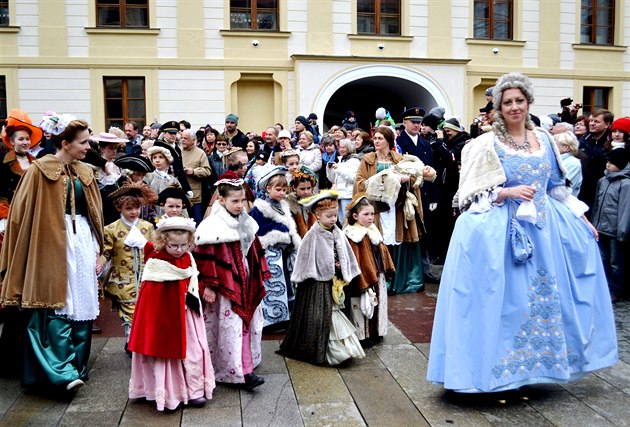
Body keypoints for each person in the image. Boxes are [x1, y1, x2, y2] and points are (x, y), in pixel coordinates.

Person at [427, 72, 618, 393]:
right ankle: (499, 371)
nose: (514, 107)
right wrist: (505, 194)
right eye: (507, 102)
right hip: (502, 230)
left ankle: (540, 366)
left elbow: (556, 187)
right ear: (498, 107)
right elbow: (469, 193)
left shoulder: (544, 139)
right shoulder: (485, 144)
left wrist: (582, 219)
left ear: (528, 103)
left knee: (545, 299)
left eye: (519, 101)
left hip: (546, 231)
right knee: (507, 301)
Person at [0, 114, 104, 391]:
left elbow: (93, 212)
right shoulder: (39, 170)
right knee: (56, 301)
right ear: (65, 143)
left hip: (81, 239)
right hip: (50, 243)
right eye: (83, 142)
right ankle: (60, 371)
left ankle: (77, 366)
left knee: (82, 302)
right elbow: (21, 216)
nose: (87, 147)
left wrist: (97, 246)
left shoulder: (84, 171)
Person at [128, 216, 215, 411]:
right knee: (166, 356)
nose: (179, 250)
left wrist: (201, 290)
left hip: (187, 315)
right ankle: (169, 393)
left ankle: (194, 391)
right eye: (174, 246)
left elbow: (192, 280)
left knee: (194, 351)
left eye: (184, 245)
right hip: (164, 318)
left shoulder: (188, 258)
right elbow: (151, 297)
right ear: (163, 242)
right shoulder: (156, 261)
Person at [194, 174, 269, 390]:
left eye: (242, 200)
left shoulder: (247, 222)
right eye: (234, 201)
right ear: (221, 200)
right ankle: (240, 371)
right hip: (226, 285)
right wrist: (208, 284)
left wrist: (260, 273)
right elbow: (205, 259)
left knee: (246, 323)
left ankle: (244, 366)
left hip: (246, 279)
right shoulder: (212, 227)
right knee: (232, 326)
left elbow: (254, 251)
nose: (239, 205)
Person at [277, 191, 364, 366]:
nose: (333, 219)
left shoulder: (338, 232)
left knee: (336, 311)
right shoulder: (312, 235)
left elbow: (345, 253)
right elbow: (304, 258)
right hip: (317, 283)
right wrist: (304, 276)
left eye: (334, 215)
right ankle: (326, 351)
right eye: (329, 216)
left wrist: (341, 266)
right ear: (317, 215)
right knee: (320, 315)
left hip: (335, 281)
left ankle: (341, 349)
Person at [355, 126, 435, 294]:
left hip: (396, 207)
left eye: (380, 138)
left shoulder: (400, 159)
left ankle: (399, 280)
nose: (376, 141)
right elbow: (359, 182)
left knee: (397, 237)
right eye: (375, 138)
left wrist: (407, 178)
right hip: (376, 207)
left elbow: (416, 177)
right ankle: (379, 279)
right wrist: (377, 181)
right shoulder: (368, 159)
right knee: (379, 237)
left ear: (389, 141)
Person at [0, 109, 43, 376]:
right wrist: (4, 218)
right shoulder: (3, 165)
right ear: (11, 141)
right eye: (20, 139)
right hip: (10, 227)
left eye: (27, 139)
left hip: (33, 225)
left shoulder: (35, 163)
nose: (25, 143)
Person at [101, 181, 156, 343]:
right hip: (123, 279)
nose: (134, 212)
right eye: (129, 208)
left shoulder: (147, 227)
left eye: (137, 208)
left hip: (146, 277)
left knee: (146, 311)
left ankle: (142, 341)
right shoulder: (111, 229)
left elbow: (154, 251)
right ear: (120, 208)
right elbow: (106, 252)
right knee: (130, 312)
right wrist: (99, 263)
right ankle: (131, 342)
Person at [249, 167, 301, 328]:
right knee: (271, 284)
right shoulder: (260, 208)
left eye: (284, 190)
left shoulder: (284, 206)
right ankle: (271, 318)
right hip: (268, 254)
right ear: (268, 188)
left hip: (282, 253)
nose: (282, 193)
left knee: (284, 282)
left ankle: (284, 315)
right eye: (278, 189)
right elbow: (252, 229)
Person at [343, 194, 395, 347]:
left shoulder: (373, 231)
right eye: (366, 214)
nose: (370, 217)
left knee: (377, 305)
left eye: (372, 214)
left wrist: (386, 269)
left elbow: (383, 252)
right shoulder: (352, 234)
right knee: (361, 306)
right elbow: (355, 260)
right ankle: (362, 336)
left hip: (378, 275)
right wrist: (361, 277)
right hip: (362, 277)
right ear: (355, 215)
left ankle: (376, 332)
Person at [591, 148, 629, 302]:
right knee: (602, 259)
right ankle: (603, 287)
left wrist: (622, 231)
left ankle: (615, 290)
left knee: (616, 263)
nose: (608, 165)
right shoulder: (603, 180)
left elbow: (625, 208)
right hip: (601, 227)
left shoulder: (626, 184)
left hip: (614, 229)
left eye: (612, 163)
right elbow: (597, 204)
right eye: (607, 162)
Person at [180, 128, 212, 224]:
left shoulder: (200, 153)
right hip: (180, 196)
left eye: (185, 138)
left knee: (195, 224)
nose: (182, 140)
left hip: (195, 197)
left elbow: (207, 171)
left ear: (193, 140)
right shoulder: (178, 151)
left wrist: (193, 171)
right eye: (182, 138)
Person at [326, 138, 361, 219]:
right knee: (341, 221)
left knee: (347, 220)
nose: (341, 149)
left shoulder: (354, 161)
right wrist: (329, 168)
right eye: (340, 147)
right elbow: (332, 179)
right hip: (339, 195)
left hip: (348, 196)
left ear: (349, 148)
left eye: (343, 147)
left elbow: (353, 178)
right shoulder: (341, 160)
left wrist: (338, 168)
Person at [287, 167, 317, 238]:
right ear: (294, 187)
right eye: (302, 189)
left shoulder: (316, 202)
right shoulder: (289, 204)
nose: (306, 192)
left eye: (309, 188)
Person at [553, 132, 583, 196]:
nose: (551, 147)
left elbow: (563, 189)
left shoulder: (573, 163)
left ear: (565, 148)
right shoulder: (553, 160)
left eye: (554, 145)